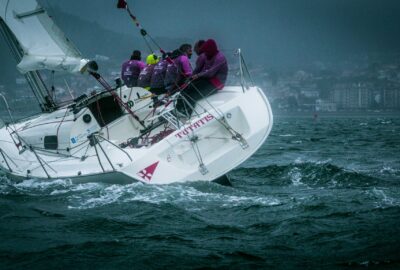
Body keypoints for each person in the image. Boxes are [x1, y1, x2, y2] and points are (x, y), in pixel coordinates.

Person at [176, 39, 228, 117]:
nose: (205, 54)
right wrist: (190, 79)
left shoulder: (220, 58)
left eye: (206, 51)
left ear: (211, 50)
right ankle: (178, 109)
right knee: (187, 89)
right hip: (206, 79)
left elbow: (211, 73)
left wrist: (197, 76)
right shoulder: (205, 55)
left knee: (194, 94)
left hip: (216, 83)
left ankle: (187, 113)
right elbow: (197, 69)